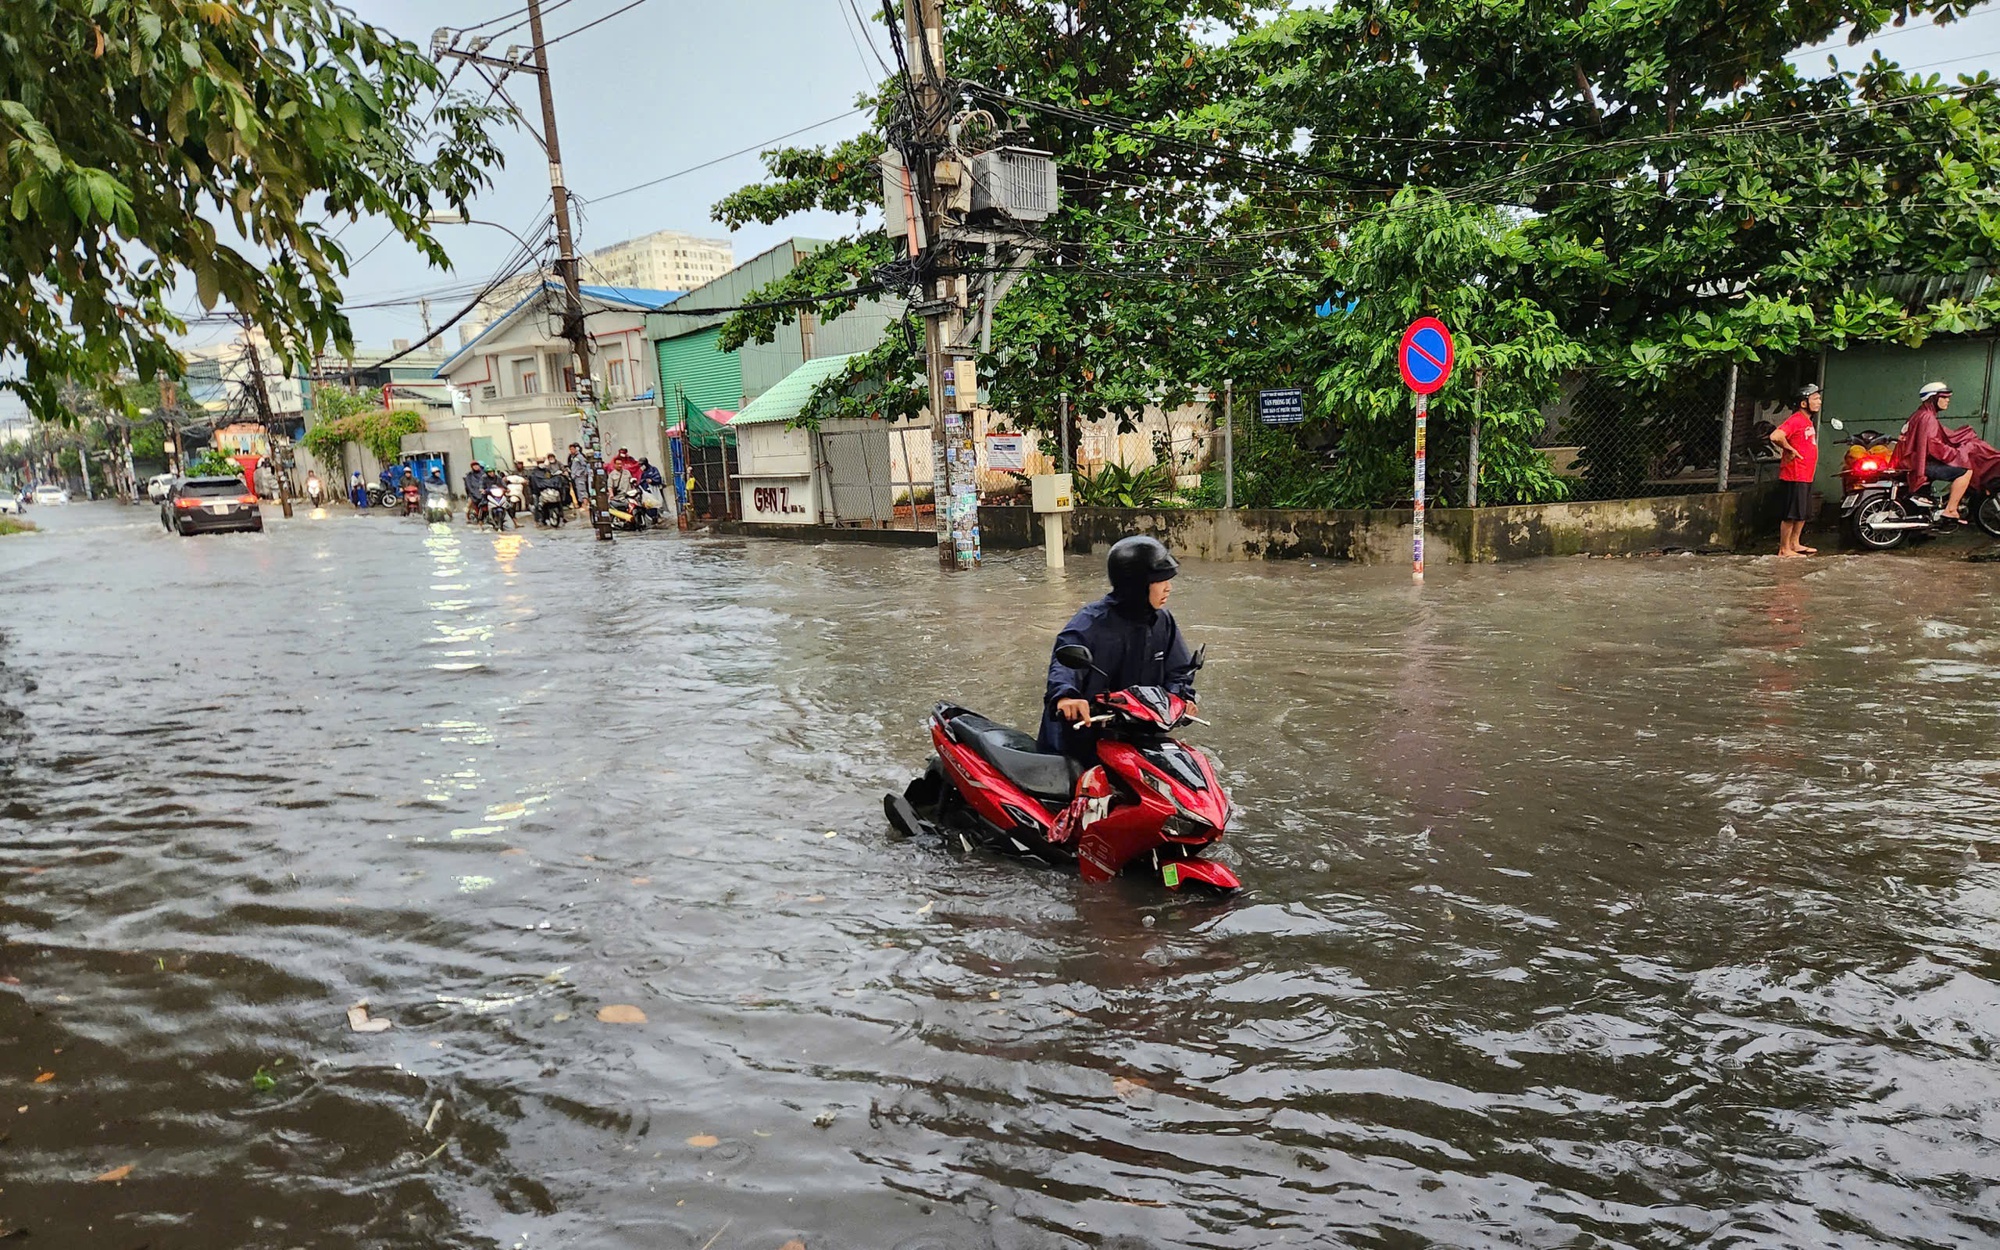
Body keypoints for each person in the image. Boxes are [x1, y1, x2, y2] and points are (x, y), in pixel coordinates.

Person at [1038, 535, 1198, 761]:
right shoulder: (1089, 624)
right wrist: (1066, 697)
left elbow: (1179, 670)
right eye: (1160, 581)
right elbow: (1064, 665)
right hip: (1082, 742)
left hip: (1138, 739)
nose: (1168, 588)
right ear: (1137, 585)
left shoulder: (1163, 622)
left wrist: (1182, 699)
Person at [1892, 381, 1998, 524]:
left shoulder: (1919, 414)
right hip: (1919, 463)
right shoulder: (1928, 418)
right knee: (1965, 471)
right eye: (1944, 397)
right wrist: (1956, 454)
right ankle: (1951, 509)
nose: (1948, 400)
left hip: (1910, 460)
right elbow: (1933, 445)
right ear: (1933, 398)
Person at [1769, 383, 1822, 557]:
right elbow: (1776, 436)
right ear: (1803, 403)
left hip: (1805, 475)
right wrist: (1789, 449)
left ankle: (1795, 543)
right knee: (1791, 514)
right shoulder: (1796, 420)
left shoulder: (1807, 421)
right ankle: (1784, 549)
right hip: (1794, 474)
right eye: (1815, 398)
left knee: (1802, 512)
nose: (1819, 402)